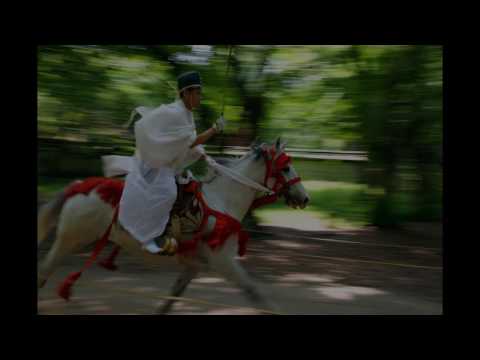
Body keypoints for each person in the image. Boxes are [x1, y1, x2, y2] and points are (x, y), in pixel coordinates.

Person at [118, 71, 225, 255]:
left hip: (169, 164)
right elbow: (190, 141)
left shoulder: (186, 114)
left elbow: (185, 142)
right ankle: (148, 238)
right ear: (186, 93)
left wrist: (204, 156)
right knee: (168, 192)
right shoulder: (176, 113)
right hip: (156, 165)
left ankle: (177, 227)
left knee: (189, 184)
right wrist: (214, 129)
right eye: (198, 93)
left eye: (200, 92)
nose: (200, 97)